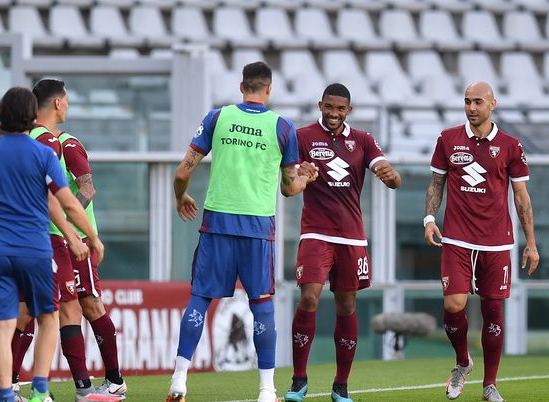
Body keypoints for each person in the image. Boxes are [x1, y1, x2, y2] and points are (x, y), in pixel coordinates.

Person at [166, 61, 318, 402]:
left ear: (241, 87)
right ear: (269, 89)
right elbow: (290, 188)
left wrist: (181, 198)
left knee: (200, 299)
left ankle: (178, 380)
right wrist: (307, 178)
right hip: (257, 228)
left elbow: (180, 174)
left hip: (217, 222)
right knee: (261, 305)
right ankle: (266, 390)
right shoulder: (283, 128)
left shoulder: (217, 118)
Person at [0, 79, 123, 400]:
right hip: (50, 241)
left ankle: (110, 380)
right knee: (43, 311)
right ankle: (18, 381)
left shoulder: (62, 143)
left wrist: (76, 233)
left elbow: (79, 193)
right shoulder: (42, 144)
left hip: (61, 240)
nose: (68, 104)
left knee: (80, 306)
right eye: (66, 99)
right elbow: (61, 198)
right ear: (55, 103)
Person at [284, 83, 401, 402]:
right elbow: (287, 185)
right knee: (309, 297)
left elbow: (391, 177)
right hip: (315, 233)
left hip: (351, 236)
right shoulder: (302, 137)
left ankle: (341, 386)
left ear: (349, 110)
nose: (334, 113)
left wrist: (391, 177)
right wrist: (299, 175)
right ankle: (299, 381)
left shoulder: (363, 140)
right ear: (320, 105)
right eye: (329, 107)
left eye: (340, 109)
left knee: (346, 305)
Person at [424, 81, 539, 402]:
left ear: (492, 104)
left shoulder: (511, 145)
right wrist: (429, 219)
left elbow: (521, 196)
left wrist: (530, 242)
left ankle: (490, 384)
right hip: (457, 238)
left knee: (492, 312)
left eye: (477, 102)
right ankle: (462, 362)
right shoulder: (447, 139)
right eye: (466, 101)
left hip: (497, 242)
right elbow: (436, 183)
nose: (471, 107)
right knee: (453, 304)